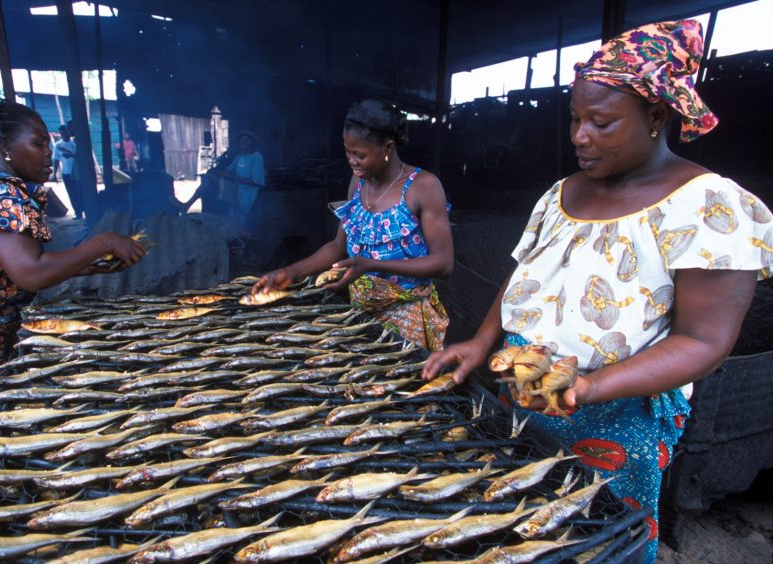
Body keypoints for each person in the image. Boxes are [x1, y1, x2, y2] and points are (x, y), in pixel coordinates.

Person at [422, 20, 771, 563]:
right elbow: (525, 276)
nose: (580, 136)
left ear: (657, 116)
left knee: (599, 538)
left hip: (615, 416)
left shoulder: (710, 207)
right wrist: (480, 339)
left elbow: (705, 342)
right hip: (526, 390)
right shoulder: (561, 193)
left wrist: (588, 387)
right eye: (575, 119)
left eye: (602, 122)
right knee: (523, 529)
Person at [0, 101, 147, 510]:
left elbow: (6, 271)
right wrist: (100, 242)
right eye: (39, 143)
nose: (50, 152)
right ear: (7, 148)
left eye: (50, 143)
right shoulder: (0, 194)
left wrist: (89, 267)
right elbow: (29, 272)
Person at [254, 99, 454, 350]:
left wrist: (371, 264)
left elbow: (443, 263)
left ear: (388, 148)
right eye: (347, 151)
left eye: (359, 154)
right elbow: (339, 245)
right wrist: (289, 274)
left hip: (407, 322)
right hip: (361, 319)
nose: (351, 160)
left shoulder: (423, 186)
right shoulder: (358, 183)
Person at [217, 130, 264, 222]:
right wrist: (221, 169)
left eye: (247, 140)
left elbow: (256, 182)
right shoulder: (239, 156)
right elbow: (228, 169)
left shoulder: (257, 156)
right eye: (241, 140)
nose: (244, 142)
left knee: (241, 223)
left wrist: (233, 177)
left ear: (252, 143)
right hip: (237, 190)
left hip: (249, 193)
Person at [52, 125, 83, 219]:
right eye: (61, 133)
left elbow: (82, 156)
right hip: (66, 173)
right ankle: (78, 213)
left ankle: (82, 210)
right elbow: (56, 160)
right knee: (71, 193)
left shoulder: (75, 143)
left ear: (68, 132)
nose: (64, 134)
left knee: (80, 192)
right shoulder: (58, 145)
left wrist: (71, 154)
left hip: (77, 172)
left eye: (65, 132)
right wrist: (54, 174)